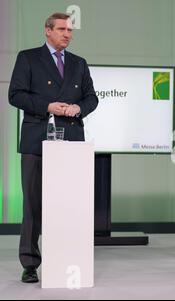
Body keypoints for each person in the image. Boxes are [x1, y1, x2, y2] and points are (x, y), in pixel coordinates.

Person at [8, 12, 98, 283]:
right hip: (37, 141)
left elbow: (92, 97)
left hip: (71, 143)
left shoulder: (79, 63)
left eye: (70, 30)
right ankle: (30, 264)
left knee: (71, 204)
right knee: (33, 205)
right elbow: (15, 95)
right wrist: (47, 106)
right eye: (61, 29)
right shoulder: (28, 58)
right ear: (47, 31)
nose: (67, 34)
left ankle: (68, 256)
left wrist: (78, 108)